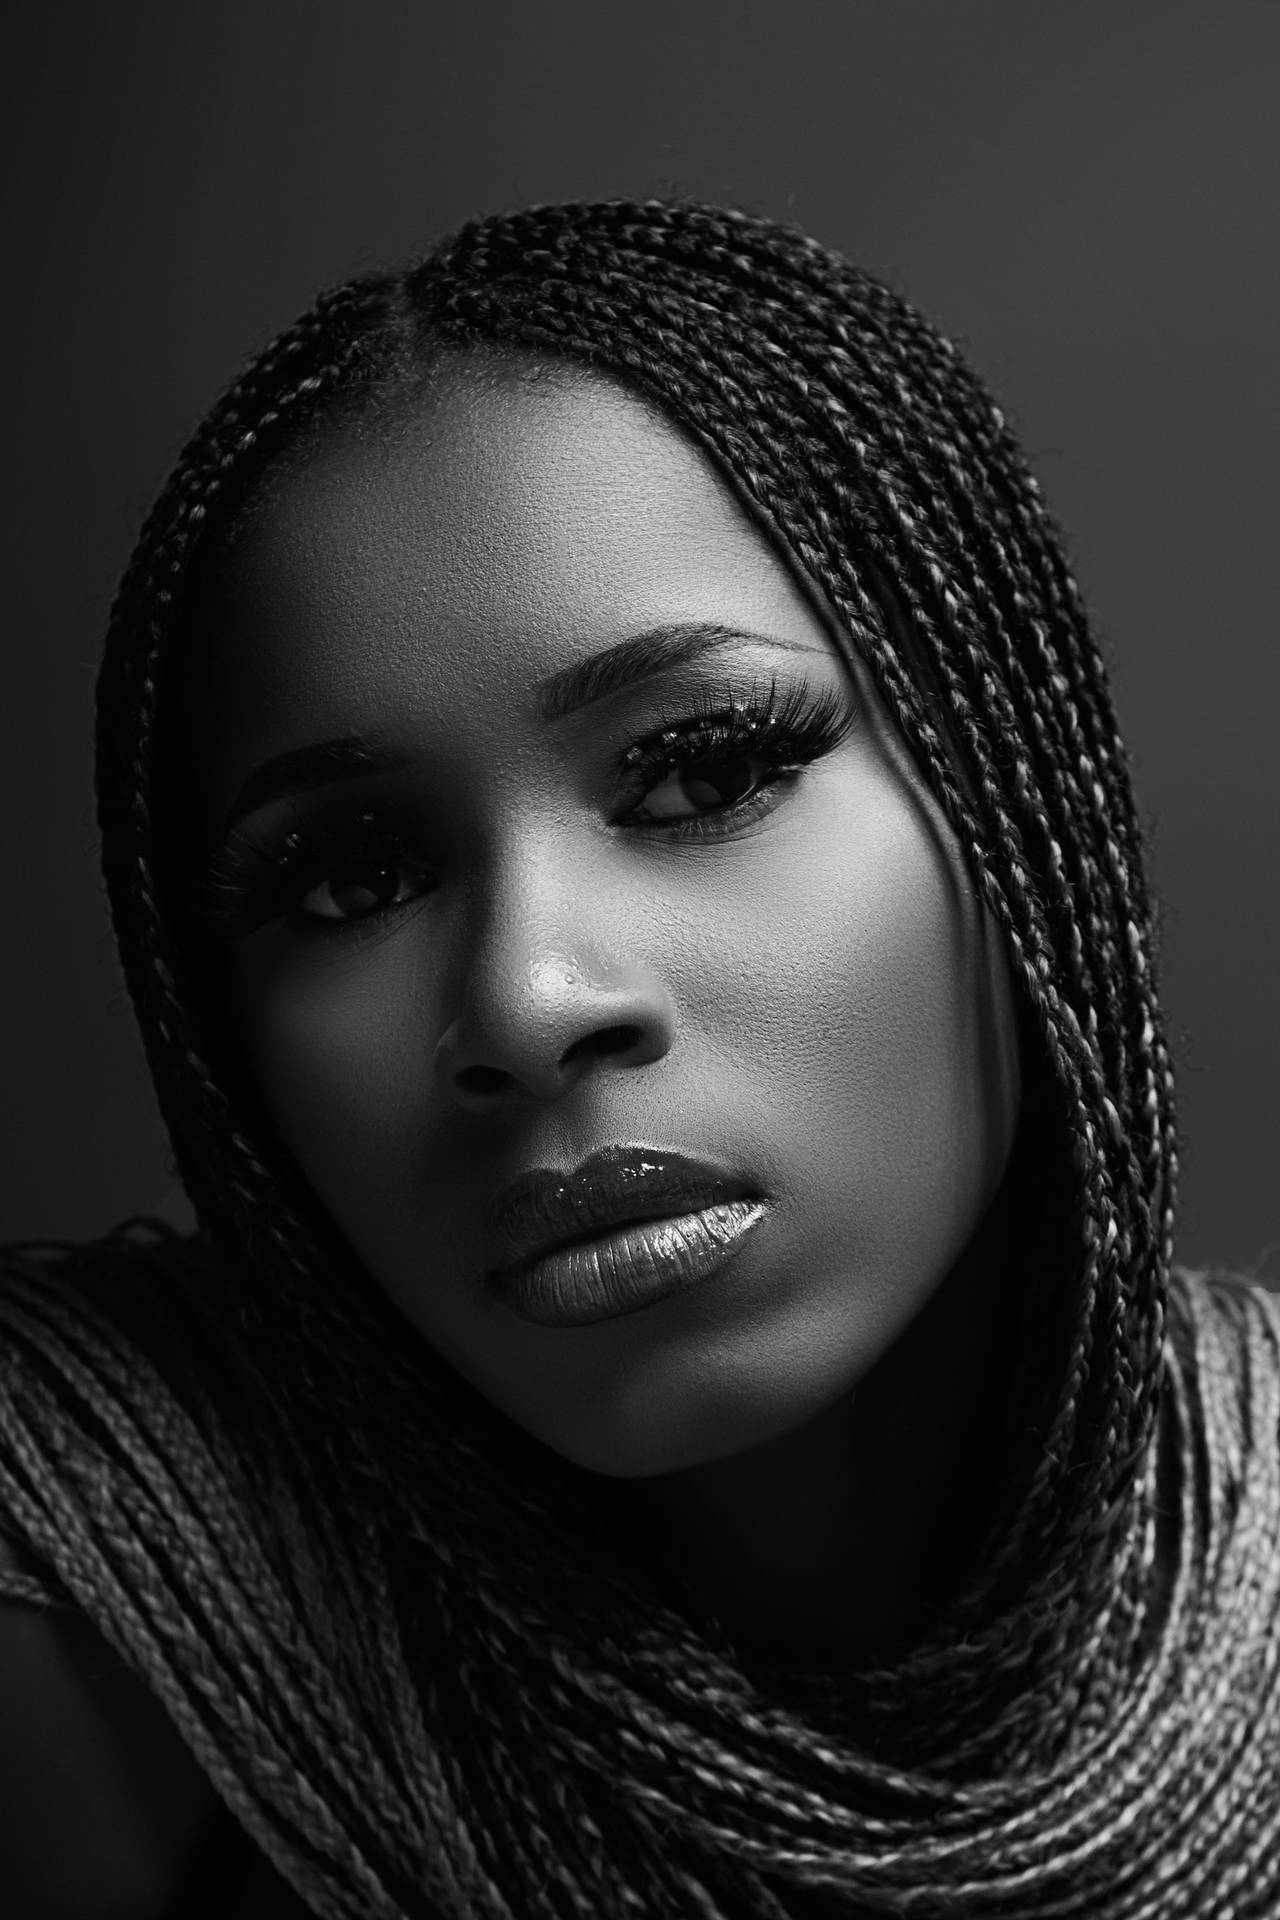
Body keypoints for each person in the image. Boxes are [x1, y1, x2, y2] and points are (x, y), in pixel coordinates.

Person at [1, 196, 1276, 1919]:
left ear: (1016, 796)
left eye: (695, 771)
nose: (528, 1000)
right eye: (352, 874)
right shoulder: (92, 1609)